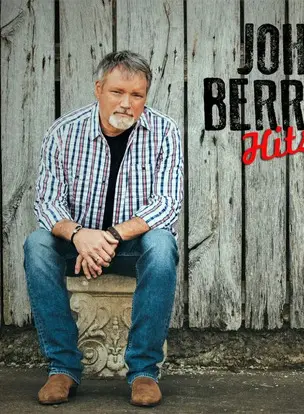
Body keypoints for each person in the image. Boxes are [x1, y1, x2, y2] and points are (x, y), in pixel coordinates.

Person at [23, 50, 184, 407]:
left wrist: (110, 237)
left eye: (137, 95)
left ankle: (144, 371)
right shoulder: (64, 133)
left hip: (130, 248)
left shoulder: (164, 132)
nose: (127, 103)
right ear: (99, 89)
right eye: (117, 92)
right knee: (36, 244)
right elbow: (47, 204)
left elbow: (167, 203)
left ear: (145, 96)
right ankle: (62, 368)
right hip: (77, 246)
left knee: (162, 244)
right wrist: (81, 236)